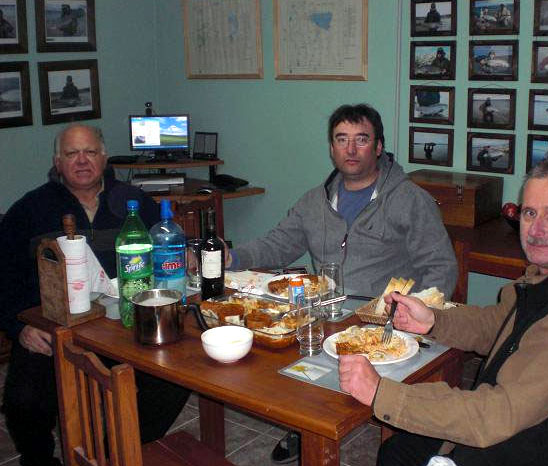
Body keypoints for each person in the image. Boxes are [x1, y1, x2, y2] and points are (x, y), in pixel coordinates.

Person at [339, 158, 548, 466]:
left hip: (523, 449)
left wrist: (379, 393)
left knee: (400, 449)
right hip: (520, 430)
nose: (536, 229)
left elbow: (494, 416)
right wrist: (433, 320)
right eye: (529, 213)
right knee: (397, 449)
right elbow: (500, 324)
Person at [226, 103, 458, 463]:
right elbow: (277, 244)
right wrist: (231, 258)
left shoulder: (411, 200)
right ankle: (305, 420)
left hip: (384, 320)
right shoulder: (314, 201)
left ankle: (389, 428)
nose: (351, 150)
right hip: (327, 312)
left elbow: (441, 268)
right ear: (331, 147)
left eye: (361, 139)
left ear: (378, 147)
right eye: (342, 140)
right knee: (268, 346)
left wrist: (418, 317)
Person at [0, 124, 191, 466]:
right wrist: (18, 329)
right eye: (72, 154)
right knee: (23, 400)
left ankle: (112, 452)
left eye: (90, 152)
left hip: (126, 324)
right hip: (53, 328)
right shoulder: (28, 211)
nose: (82, 161)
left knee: (175, 378)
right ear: (58, 162)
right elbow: (3, 278)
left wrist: (184, 256)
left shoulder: (136, 204)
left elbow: (168, 253)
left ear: (104, 157)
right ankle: (39, 459)